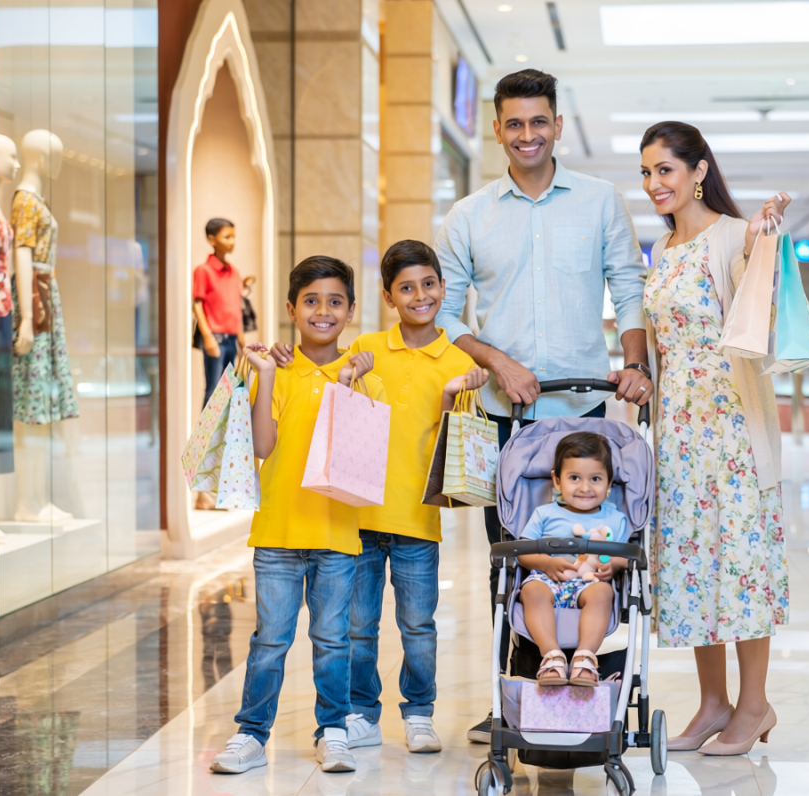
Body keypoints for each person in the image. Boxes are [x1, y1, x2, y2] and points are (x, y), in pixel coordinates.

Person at [433, 68, 653, 744]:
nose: (526, 134)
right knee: (514, 558)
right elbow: (445, 314)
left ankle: (587, 680)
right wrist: (497, 361)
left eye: (538, 121)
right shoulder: (468, 215)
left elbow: (629, 286)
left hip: (582, 415)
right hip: (506, 418)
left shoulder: (599, 201)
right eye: (514, 123)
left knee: (590, 554)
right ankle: (516, 695)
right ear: (496, 129)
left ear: (557, 125)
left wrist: (636, 363)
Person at [639, 122, 790, 756]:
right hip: (679, 431)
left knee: (742, 565)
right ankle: (713, 704)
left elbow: (758, 312)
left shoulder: (732, 236)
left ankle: (754, 706)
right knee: (696, 565)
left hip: (731, 430)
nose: (654, 184)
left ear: (699, 171)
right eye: (647, 173)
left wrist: (760, 246)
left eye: (665, 170)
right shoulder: (663, 246)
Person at [209, 256, 384, 776]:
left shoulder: (365, 379)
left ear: (350, 311)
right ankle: (251, 734)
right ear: (291, 309)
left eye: (335, 302)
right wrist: (265, 374)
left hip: (337, 536)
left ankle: (333, 731)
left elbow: (356, 458)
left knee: (333, 642)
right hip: (278, 533)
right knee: (269, 640)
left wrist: (348, 381)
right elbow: (263, 446)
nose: (322, 311)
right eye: (311, 301)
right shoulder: (278, 370)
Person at [312, 239, 486, 755]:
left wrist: (456, 394)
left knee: (418, 625)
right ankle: (362, 714)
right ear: (388, 296)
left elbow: (457, 444)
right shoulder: (366, 347)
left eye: (428, 284)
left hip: (418, 520)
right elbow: (340, 411)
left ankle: (419, 713)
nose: (420, 296)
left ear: (444, 287)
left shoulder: (459, 359)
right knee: (358, 627)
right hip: (359, 517)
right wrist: (350, 375)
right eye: (406, 288)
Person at [517, 432, 629, 686]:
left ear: (609, 483)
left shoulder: (614, 519)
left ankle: (584, 658)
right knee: (531, 591)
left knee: (603, 593)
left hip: (589, 583)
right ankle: (552, 657)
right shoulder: (544, 514)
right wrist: (545, 563)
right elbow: (522, 551)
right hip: (547, 579)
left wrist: (614, 564)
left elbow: (626, 557)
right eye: (574, 478)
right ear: (557, 481)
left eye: (595, 479)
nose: (585, 488)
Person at [193, 218, 244, 407]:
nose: (232, 242)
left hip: (232, 339)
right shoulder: (203, 271)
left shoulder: (235, 272)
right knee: (213, 390)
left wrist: (242, 341)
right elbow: (197, 306)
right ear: (212, 239)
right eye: (227, 237)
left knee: (229, 390)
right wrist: (207, 337)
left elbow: (236, 307)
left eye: (233, 237)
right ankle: (205, 428)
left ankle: (226, 428)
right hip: (216, 339)